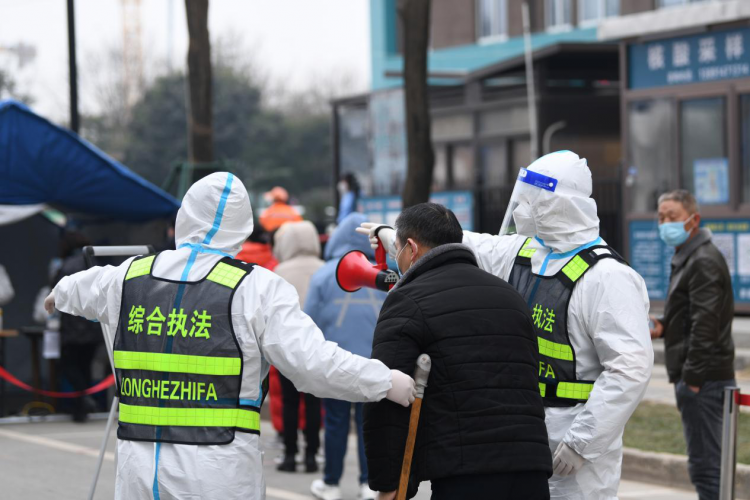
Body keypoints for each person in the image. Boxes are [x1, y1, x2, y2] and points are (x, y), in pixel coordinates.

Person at [44, 172, 417, 500]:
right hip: (217, 471)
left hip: (138, 471)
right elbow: (313, 364)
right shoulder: (257, 288)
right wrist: (384, 382)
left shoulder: (128, 276)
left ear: (185, 216)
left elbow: (79, 287)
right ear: (241, 228)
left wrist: (57, 295)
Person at [363, 151, 654, 500]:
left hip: (576, 447)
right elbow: (454, 244)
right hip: (524, 432)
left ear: (559, 205)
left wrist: (583, 442)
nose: (523, 209)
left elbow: (629, 369)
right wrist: (391, 236)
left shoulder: (609, 278)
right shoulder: (525, 254)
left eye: (533, 200)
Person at [362, 203, 552, 500]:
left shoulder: (407, 300)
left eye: (396, 249)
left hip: (464, 473)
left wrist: (389, 484)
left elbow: (385, 395)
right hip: (531, 469)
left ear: (411, 248)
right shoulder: (510, 296)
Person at [650, 190, 735, 500]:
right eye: (661, 218)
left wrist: (693, 379)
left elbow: (706, 325)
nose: (665, 224)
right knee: (706, 465)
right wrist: (665, 325)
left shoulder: (702, 260)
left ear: (693, 219)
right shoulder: (689, 256)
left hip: (705, 379)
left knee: (707, 468)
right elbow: (692, 313)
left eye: (672, 217)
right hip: (700, 376)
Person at [308, 213, 385, 500]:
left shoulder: (323, 274)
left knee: (335, 423)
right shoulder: (382, 273)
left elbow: (308, 321)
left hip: (334, 361)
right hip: (374, 361)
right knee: (370, 426)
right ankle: (369, 485)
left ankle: (331, 484)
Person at [272, 221, 325, 473]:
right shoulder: (324, 269)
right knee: (313, 402)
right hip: (318, 346)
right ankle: (312, 455)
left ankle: (290, 455)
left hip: (287, 346)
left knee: (290, 402)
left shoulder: (279, 271)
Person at [53, 231, 105, 422]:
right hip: (94, 325)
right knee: (85, 366)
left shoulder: (65, 265)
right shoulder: (94, 263)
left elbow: (56, 291)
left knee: (68, 365)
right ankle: (83, 405)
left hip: (73, 326)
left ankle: (82, 402)